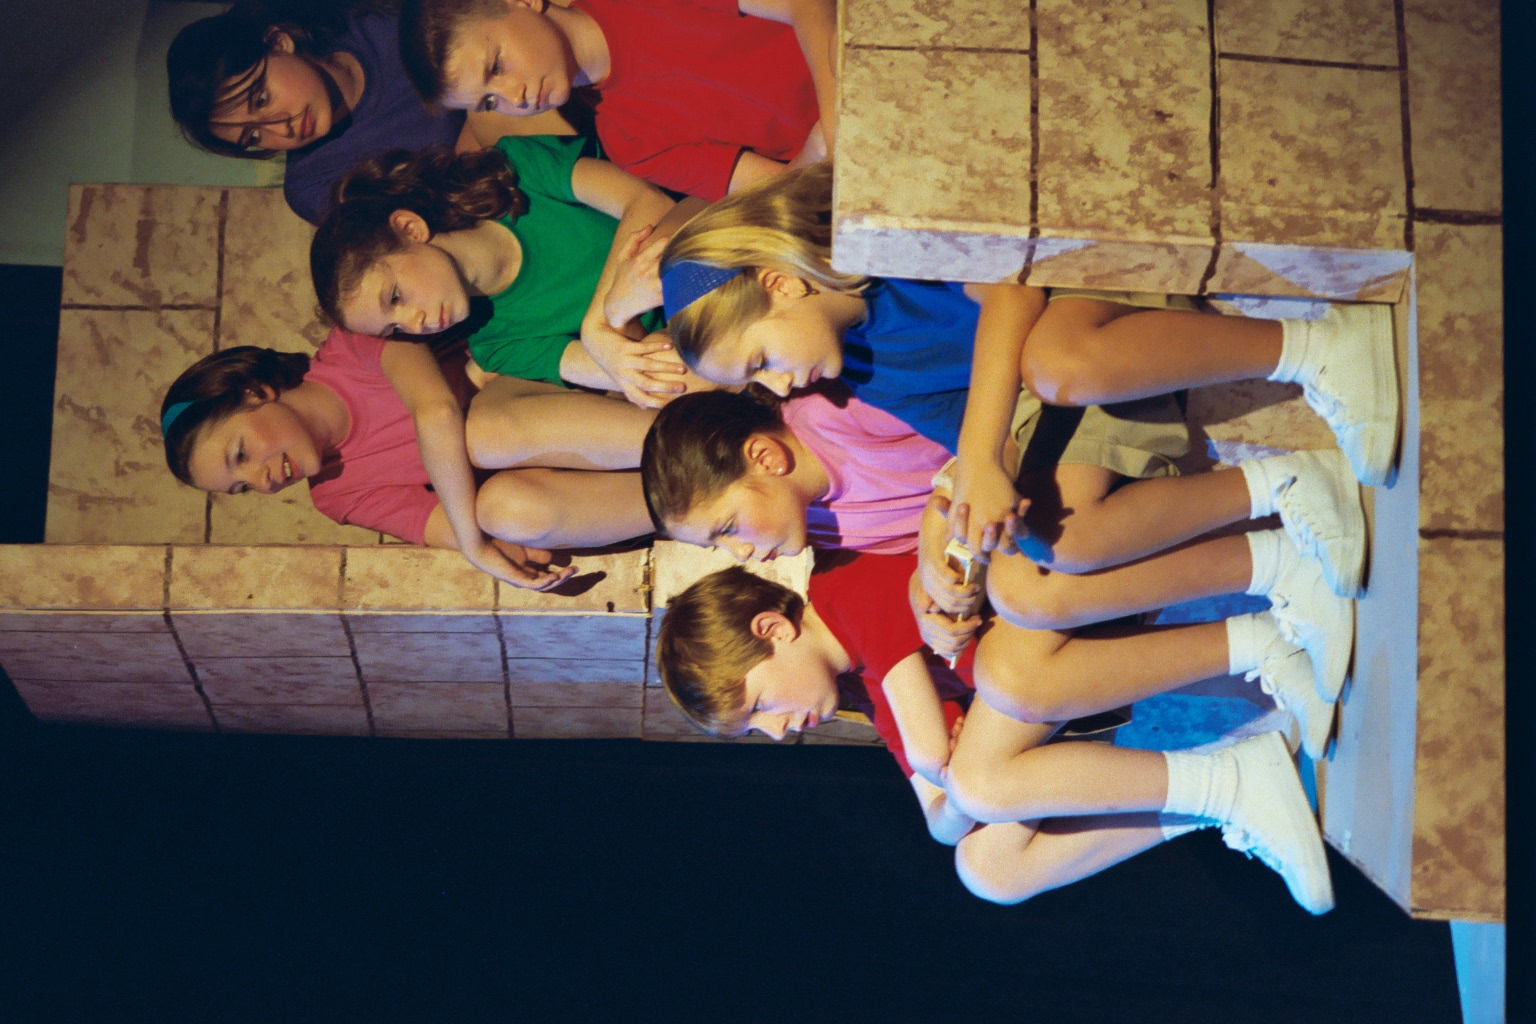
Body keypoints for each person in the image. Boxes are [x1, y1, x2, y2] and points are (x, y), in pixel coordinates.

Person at [656, 558, 1335, 913]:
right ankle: (1221, 796)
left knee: (979, 782)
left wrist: (955, 784)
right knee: (988, 871)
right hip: (1043, 686)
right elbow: (938, 819)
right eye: (758, 729)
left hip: (1043, 636)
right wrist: (953, 791)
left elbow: (932, 755)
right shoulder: (859, 687)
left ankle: (1236, 775)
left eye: (761, 707)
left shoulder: (844, 589)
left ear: (774, 630)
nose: (777, 733)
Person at [642, 387, 1360, 715]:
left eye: (726, 528)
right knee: (1011, 683)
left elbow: (976, 426)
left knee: (1028, 593)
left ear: (764, 457)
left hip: (1048, 436)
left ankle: (1281, 501)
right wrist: (931, 596)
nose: (738, 553)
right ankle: (1269, 640)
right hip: (1018, 521)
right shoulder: (826, 534)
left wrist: (941, 536)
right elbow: (918, 560)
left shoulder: (833, 414)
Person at [159, 332, 652, 589]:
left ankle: (679, 435)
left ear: (252, 391)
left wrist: (474, 544)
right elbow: (476, 538)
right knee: (506, 511)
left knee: (481, 435)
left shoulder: (354, 344)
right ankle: (681, 495)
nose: (261, 481)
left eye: (241, 454)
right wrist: (505, 546)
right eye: (242, 487)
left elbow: (438, 412)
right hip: (572, 470)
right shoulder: (336, 496)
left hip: (566, 380)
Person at [311, 137, 706, 409]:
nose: (414, 324)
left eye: (395, 297)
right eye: (394, 328)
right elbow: (627, 372)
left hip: (696, 234)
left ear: (409, 229)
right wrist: (618, 315)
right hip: (691, 328)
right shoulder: (494, 345)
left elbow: (648, 202)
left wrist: (597, 325)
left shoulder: (511, 168)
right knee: (669, 383)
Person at [166, 0, 576, 225]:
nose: (280, 129)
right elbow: (435, 228)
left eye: (260, 99)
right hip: (515, 203)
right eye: (253, 137)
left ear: (278, 43)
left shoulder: (379, 18)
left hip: (558, 88)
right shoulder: (314, 185)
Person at [397, 0, 836, 201]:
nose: (516, 98)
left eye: (496, 66)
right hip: (851, 159)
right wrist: (822, 148)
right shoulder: (628, 143)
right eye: (490, 103)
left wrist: (836, 115)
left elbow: (810, 6)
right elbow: (787, 187)